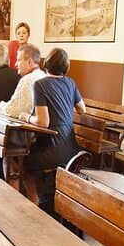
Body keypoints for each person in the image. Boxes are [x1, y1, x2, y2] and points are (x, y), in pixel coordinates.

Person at [20, 47, 86, 215]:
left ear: (47, 63)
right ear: (66, 66)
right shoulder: (70, 82)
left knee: (23, 163)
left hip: (51, 148)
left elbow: (43, 122)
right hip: (72, 150)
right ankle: (49, 200)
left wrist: (26, 117)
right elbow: (82, 110)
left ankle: (33, 201)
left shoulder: (40, 84)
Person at [0, 43, 48, 177]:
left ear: (29, 61)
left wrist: (0, 105)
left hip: (26, 135)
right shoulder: (42, 75)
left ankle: (0, 185)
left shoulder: (28, 80)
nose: (16, 64)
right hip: (39, 134)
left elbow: (13, 110)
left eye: (18, 60)